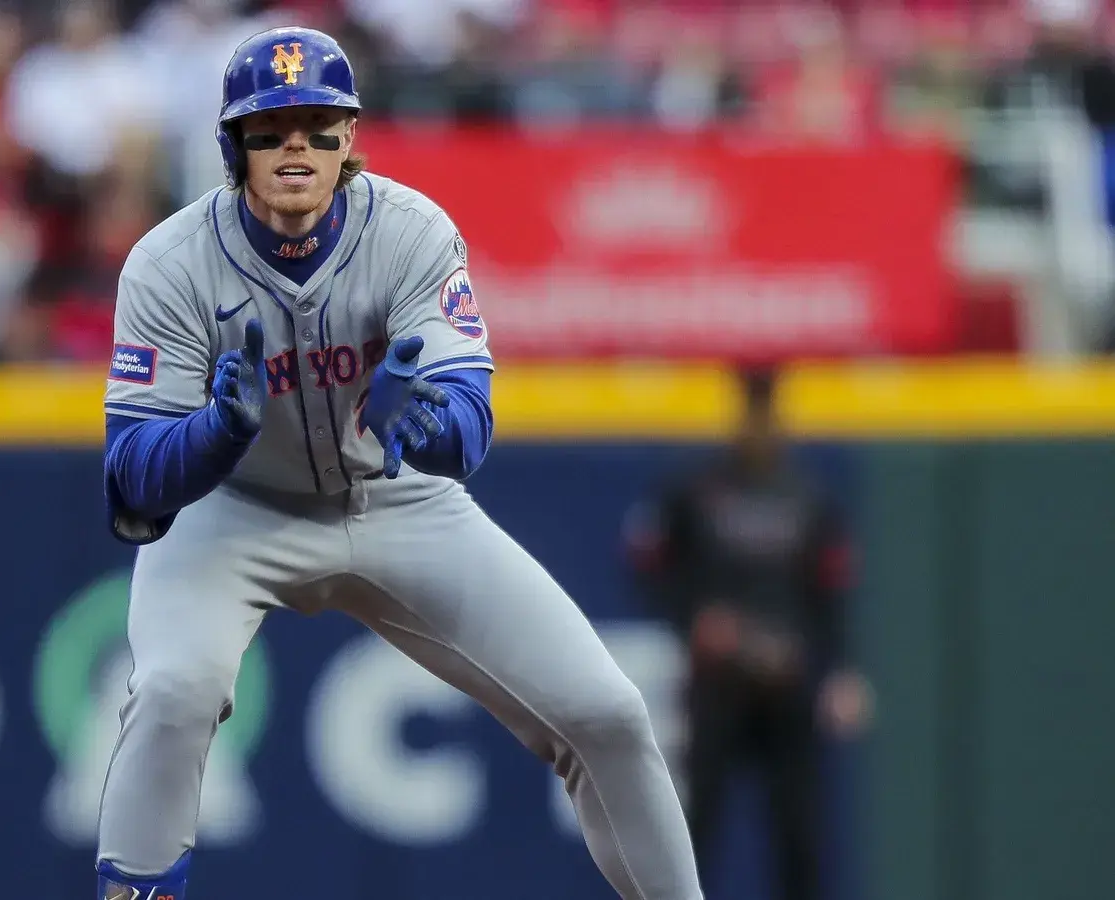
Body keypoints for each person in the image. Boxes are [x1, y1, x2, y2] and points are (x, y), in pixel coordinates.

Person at [97, 26, 704, 900]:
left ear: (350, 138)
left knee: (606, 713)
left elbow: (468, 428)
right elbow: (131, 482)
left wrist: (416, 418)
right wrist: (213, 435)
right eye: (271, 129)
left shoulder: (410, 230)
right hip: (229, 509)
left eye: (318, 124)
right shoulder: (169, 263)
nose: (296, 146)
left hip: (392, 500)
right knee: (171, 689)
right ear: (233, 146)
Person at [623, 367, 870, 900]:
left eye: (768, 412)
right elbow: (649, 565)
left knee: (799, 834)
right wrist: (695, 622)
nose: (760, 425)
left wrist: (842, 672)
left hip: (789, 683)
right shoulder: (695, 491)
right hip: (719, 685)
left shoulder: (810, 497)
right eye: (752, 412)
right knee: (695, 826)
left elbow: (830, 592)